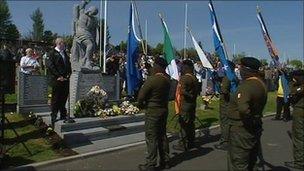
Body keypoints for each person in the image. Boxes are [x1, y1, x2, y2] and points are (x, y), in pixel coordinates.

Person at [227, 57, 267, 170]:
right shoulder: (260, 83)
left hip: (241, 128)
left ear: (246, 70)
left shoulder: (246, 86)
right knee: (251, 161)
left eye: (241, 67)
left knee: (238, 162)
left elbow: (243, 109)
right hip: (253, 127)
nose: (239, 70)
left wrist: (249, 121)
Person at [137, 57, 171, 171]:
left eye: (154, 65)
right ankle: (165, 161)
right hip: (163, 110)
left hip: (152, 111)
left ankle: (150, 164)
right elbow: (156, 72)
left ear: (157, 66)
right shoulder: (167, 79)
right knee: (162, 136)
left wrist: (140, 105)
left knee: (151, 137)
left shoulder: (152, 80)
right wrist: (148, 67)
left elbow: (141, 97)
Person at [173, 60, 199, 151]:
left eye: (183, 67)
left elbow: (182, 91)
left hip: (185, 104)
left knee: (184, 124)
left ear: (186, 67)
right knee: (191, 124)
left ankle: (182, 144)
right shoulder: (194, 77)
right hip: (192, 103)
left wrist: (182, 92)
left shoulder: (185, 78)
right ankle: (191, 142)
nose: (181, 68)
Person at [46, 38, 72, 128]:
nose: (64, 45)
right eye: (63, 43)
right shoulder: (52, 53)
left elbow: (68, 65)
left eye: (64, 43)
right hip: (56, 79)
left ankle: (63, 114)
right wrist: (58, 76)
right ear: (58, 43)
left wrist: (68, 74)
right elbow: (50, 66)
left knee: (64, 97)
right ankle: (53, 115)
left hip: (65, 79)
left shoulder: (64, 53)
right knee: (56, 98)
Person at [214, 60, 237, 151]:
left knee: (225, 123)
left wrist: (219, 86)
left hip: (226, 104)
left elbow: (224, 91)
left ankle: (225, 142)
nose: (222, 68)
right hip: (231, 104)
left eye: (223, 66)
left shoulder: (227, 77)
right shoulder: (233, 76)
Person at [285, 69, 304, 170]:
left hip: (300, 112)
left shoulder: (299, 86)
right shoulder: (296, 85)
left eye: (295, 77)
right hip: (299, 110)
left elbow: (294, 92)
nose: (294, 79)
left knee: (299, 138)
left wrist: (293, 84)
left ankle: (300, 162)